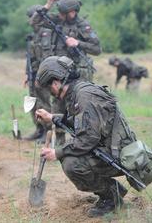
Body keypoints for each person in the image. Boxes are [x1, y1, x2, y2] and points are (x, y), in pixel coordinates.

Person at [35, 56, 137, 217]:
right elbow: (79, 123)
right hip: (109, 147)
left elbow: (87, 138)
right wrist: (52, 117)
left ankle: (111, 197)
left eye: (49, 88)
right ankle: (111, 192)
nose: (51, 93)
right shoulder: (79, 91)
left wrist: (57, 152)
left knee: (72, 163)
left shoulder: (84, 96)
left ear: (56, 82)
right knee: (70, 155)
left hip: (119, 154)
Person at [30, 0, 102, 145]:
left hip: (76, 74)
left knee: (79, 107)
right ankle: (60, 145)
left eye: (64, 13)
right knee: (57, 106)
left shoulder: (83, 26)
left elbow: (97, 49)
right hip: (59, 74)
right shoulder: (57, 20)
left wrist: (78, 43)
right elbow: (34, 21)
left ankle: (82, 143)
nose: (61, 15)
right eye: (60, 12)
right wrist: (47, 6)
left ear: (73, 11)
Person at [24, 5, 52, 141]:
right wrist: (27, 75)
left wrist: (41, 76)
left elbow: (45, 58)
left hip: (42, 74)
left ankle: (47, 132)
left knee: (43, 103)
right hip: (33, 73)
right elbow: (30, 57)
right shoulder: (34, 35)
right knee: (32, 102)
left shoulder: (45, 33)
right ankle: (39, 129)